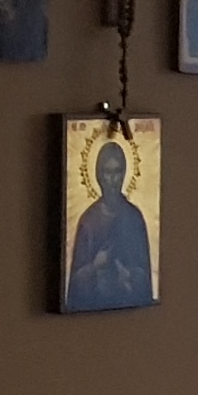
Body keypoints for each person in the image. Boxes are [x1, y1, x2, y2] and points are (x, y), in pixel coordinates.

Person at [63, 132, 154, 311]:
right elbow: (75, 287)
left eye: (117, 172)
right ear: (99, 175)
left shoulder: (134, 218)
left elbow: (144, 280)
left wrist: (129, 276)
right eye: (107, 172)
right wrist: (95, 266)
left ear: (124, 174)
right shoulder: (89, 221)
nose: (113, 180)